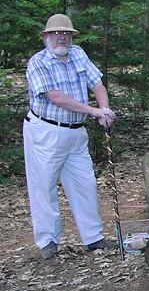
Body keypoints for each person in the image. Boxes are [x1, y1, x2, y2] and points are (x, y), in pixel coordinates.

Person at [24, 14, 117, 259]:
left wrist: (104, 109)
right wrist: (93, 111)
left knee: (84, 183)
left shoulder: (78, 54)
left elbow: (97, 84)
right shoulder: (38, 62)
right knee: (44, 187)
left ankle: (93, 238)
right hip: (46, 132)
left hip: (76, 133)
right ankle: (48, 242)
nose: (61, 37)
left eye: (65, 33)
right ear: (46, 37)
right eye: (55, 34)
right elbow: (56, 97)